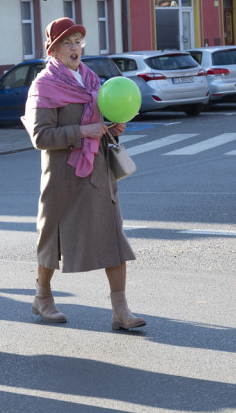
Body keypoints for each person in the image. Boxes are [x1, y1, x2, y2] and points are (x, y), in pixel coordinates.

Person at [21, 17, 144, 330]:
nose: (74, 48)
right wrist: (82, 130)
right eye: (67, 42)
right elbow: (40, 137)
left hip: (98, 173)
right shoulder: (44, 85)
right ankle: (43, 297)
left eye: (78, 41)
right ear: (54, 49)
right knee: (53, 240)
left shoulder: (91, 80)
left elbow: (100, 122)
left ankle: (120, 310)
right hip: (63, 177)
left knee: (113, 238)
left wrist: (112, 129)